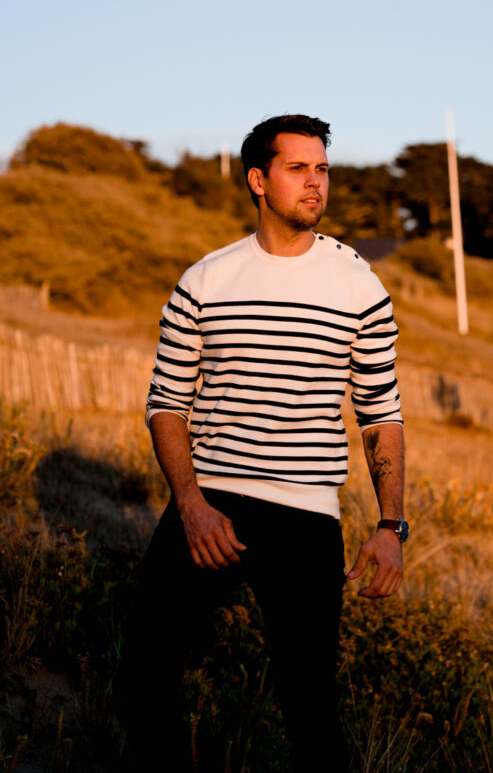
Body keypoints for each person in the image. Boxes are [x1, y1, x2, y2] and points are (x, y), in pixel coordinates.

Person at [119, 114, 407, 773]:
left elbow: (380, 411)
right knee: (143, 676)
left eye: (322, 169)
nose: (315, 183)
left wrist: (390, 524)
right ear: (257, 179)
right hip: (210, 507)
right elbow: (165, 403)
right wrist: (190, 504)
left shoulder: (359, 286)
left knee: (309, 710)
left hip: (307, 518)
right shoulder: (206, 280)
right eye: (298, 168)